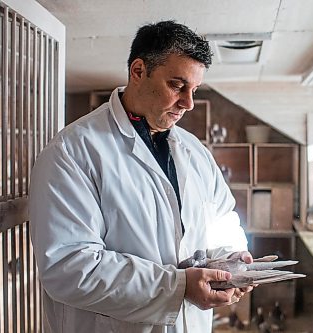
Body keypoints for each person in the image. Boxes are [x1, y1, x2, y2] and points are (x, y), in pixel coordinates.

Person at [29, 20, 254, 333]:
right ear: (138, 71)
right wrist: (177, 286)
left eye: (194, 90)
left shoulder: (194, 151)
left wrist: (230, 260)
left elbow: (223, 219)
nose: (188, 103)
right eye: (177, 85)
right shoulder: (75, 151)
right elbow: (68, 268)